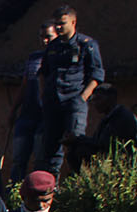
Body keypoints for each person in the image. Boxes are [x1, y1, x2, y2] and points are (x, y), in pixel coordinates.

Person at [37, 4, 104, 176]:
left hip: (74, 101)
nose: (59, 27)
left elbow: (96, 75)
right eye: (57, 23)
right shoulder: (53, 47)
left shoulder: (86, 45)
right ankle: (51, 190)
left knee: (76, 146)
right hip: (53, 102)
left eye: (62, 23)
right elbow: (43, 72)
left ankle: (78, 188)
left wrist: (82, 98)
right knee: (50, 149)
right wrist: (44, 94)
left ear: (73, 22)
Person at [8, 21, 57, 183]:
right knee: (18, 158)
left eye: (48, 37)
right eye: (41, 37)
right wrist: (14, 109)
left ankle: (37, 194)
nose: (44, 41)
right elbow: (25, 84)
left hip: (46, 116)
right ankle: (15, 193)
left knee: (40, 159)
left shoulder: (59, 57)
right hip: (27, 114)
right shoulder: (33, 58)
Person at [67, 83, 137, 168]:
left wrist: (78, 140)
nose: (95, 103)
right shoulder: (108, 117)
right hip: (107, 155)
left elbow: (105, 144)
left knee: (81, 150)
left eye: (99, 99)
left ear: (111, 99)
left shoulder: (121, 117)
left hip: (119, 161)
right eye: (94, 100)